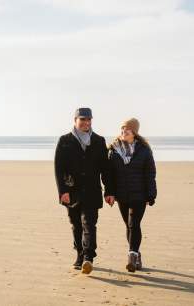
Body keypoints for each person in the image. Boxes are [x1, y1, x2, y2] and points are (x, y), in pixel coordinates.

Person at [54, 107, 114, 274]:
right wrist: (62, 191)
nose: (86, 123)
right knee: (76, 225)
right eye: (83, 120)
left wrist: (109, 191)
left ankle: (88, 257)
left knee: (89, 224)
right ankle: (80, 254)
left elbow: (105, 169)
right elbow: (59, 169)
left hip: (92, 191)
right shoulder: (64, 141)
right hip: (71, 192)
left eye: (89, 120)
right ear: (75, 121)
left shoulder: (99, 141)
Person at [106, 118, 157, 272]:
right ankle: (137, 254)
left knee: (134, 224)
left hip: (139, 195)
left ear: (134, 132)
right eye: (122, 129)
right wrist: (110, 193)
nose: (123, 131)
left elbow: (150, 173)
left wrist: (151, 194)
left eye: (127, 129)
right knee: (128, 225)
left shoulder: (144, 150)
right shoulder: (113, 150)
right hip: (122, 195)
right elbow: (109, 175)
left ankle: (132, 256)